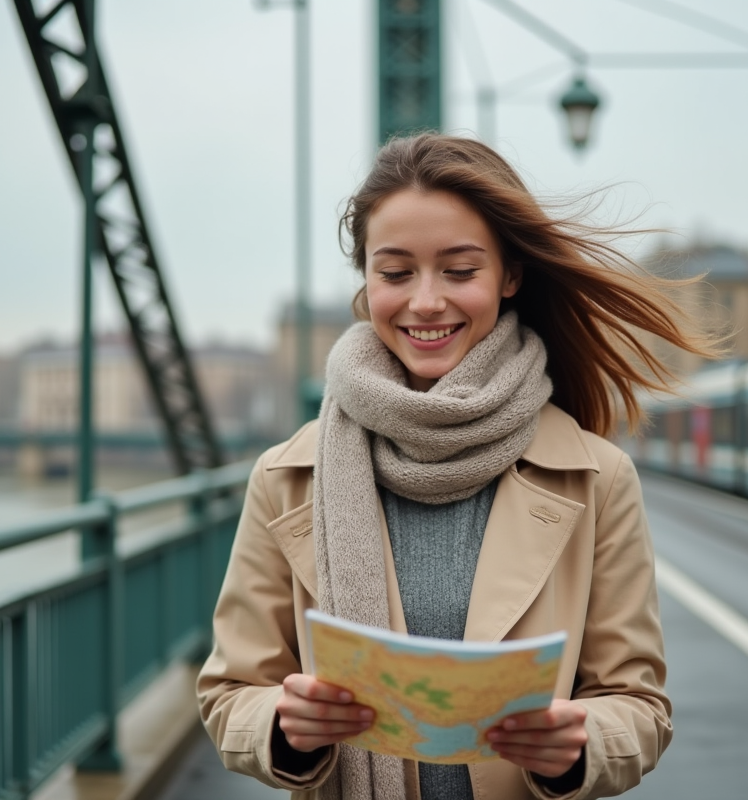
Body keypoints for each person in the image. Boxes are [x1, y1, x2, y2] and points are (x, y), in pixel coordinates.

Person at [197, 133, 711, 800]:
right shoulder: (287, 476)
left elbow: (637, 706)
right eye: (396, 272)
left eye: (461, 271)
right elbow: (231, 692)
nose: (427, 301)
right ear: (367, 281)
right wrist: (284, 727)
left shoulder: (598, 477)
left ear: (510, 276)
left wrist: (579, 744)